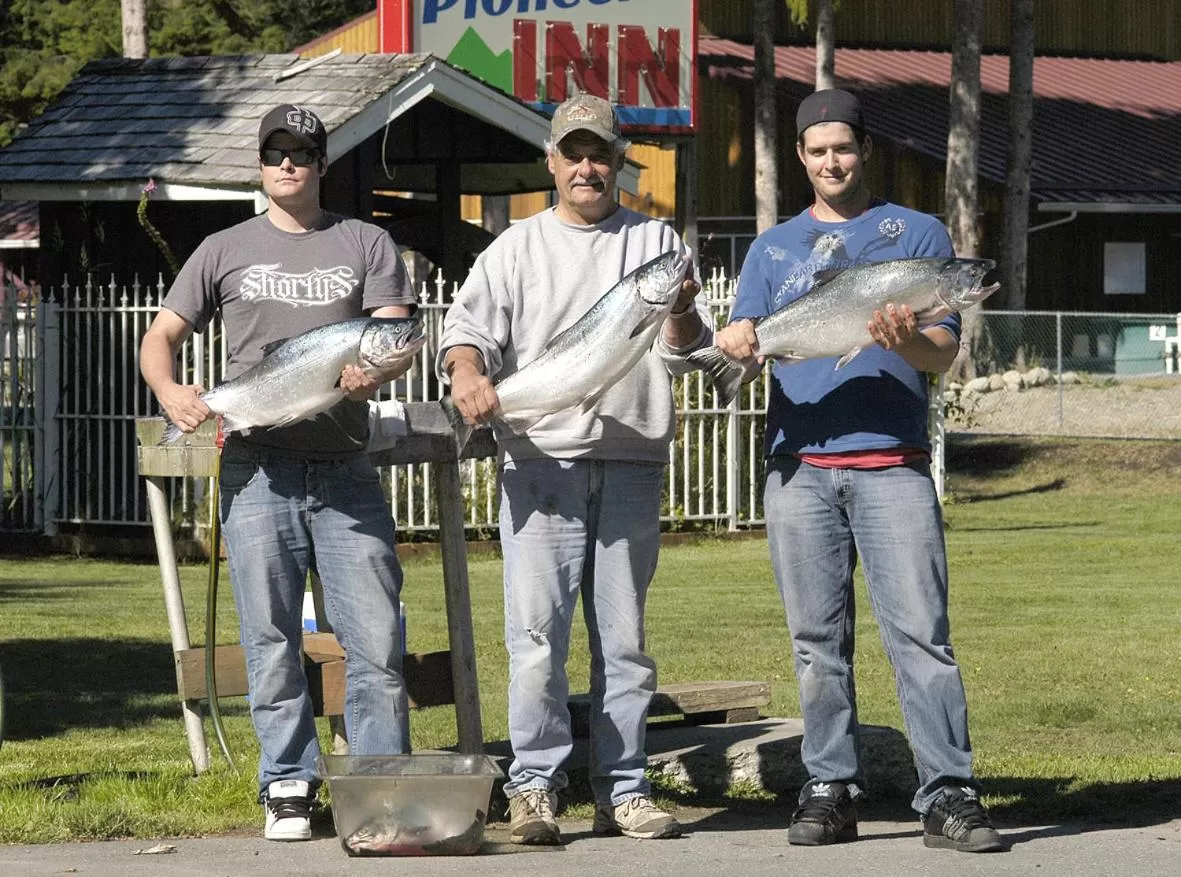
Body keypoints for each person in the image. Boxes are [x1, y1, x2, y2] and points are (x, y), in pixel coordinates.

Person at [713, 89, 1006, 854]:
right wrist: (739, 343)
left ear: (863, 150)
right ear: (803, 158)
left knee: (921, 636)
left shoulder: (917, 236)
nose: (831, 160)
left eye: (842, 147)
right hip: (799, 468)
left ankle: (948, 793)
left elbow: (940, 356)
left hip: (892, 467)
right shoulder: (773, 248)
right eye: (816, 150)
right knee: (817, 641)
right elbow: (749, 336)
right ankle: (829, 787)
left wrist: (901, 340)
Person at [140, 104, 416, 842]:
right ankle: (287, 783)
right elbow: (160, 337)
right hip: (255, 465)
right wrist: (172, 393)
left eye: (304, 151)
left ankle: (378, 784)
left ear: (324, 163)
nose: (289, 163)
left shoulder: (366, 239)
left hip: (345, 468)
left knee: (375, 637)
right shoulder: (222, 247)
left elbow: (396, 337)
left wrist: (373, 374)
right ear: (259, 164)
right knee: (268, 635)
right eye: (276, 151)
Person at [437, 93, 708, 845]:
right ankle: (532, 789)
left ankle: (624, 789)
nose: (587, 166)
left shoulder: (655, 243)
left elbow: (684, 349)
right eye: (573, 152)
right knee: (536, 639)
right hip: (537, 462)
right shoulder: (515, 248)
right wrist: (466, 377)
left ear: (619, 161)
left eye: (600, 153)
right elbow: (465, 332)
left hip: (629, 464)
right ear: (551, 162)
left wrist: (680, 308)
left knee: (622, 642)